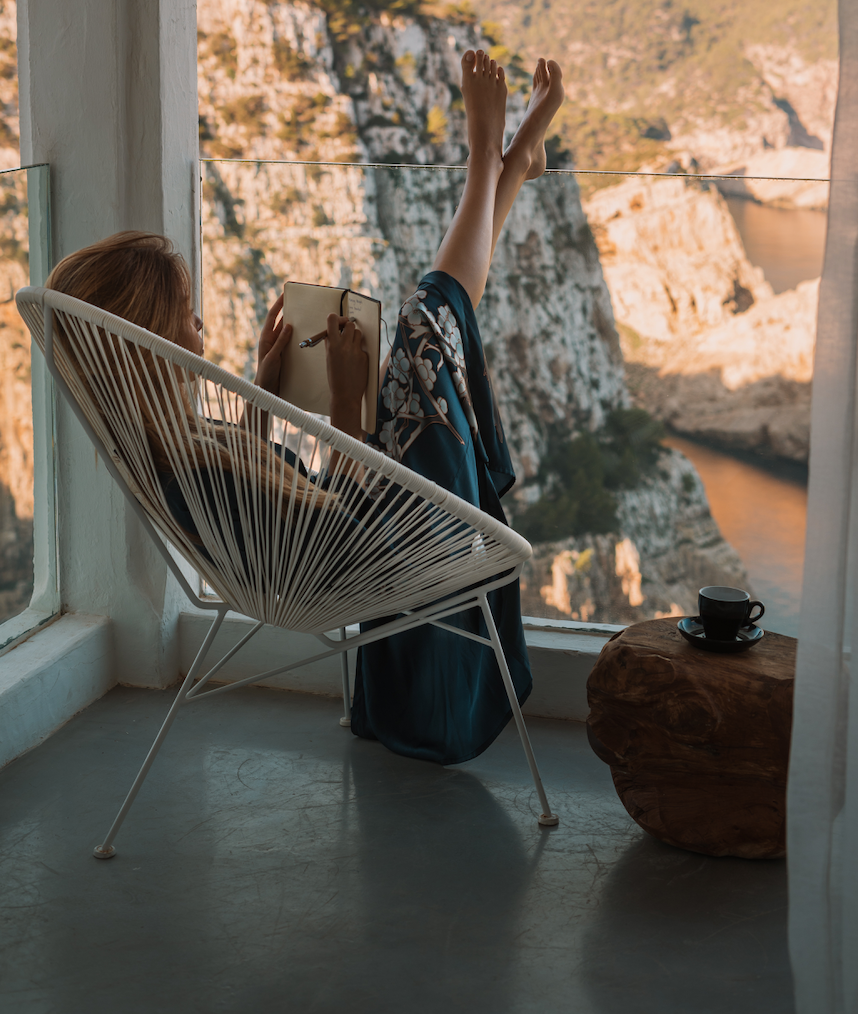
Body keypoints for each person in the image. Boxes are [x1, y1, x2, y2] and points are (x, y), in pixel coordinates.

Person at [45, 47, 564, 766]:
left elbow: (258, 515)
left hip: (330, 552)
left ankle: (506, 173)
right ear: (152, 344)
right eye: (188, 317)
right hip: (386, 551)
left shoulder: (158, 440)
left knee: (415, 352)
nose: (201, 330)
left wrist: (260, 390)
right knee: (416, 340)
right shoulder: (189, 450)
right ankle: (490, 162)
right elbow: (345, 536)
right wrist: (348, 408)